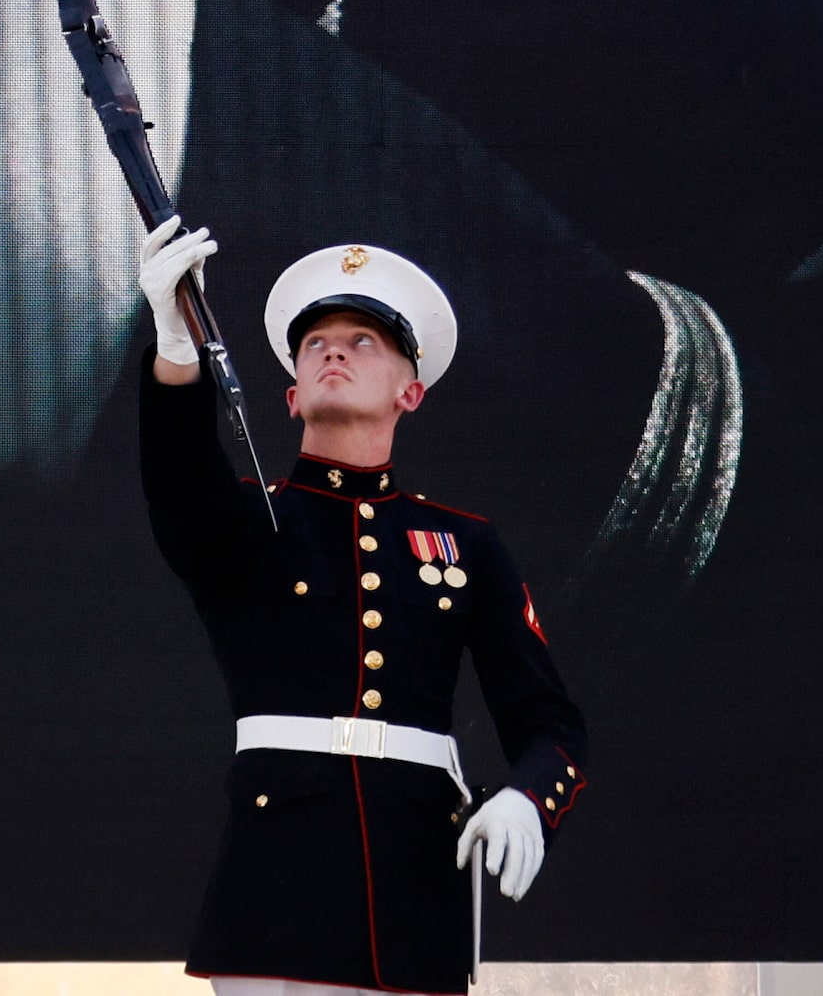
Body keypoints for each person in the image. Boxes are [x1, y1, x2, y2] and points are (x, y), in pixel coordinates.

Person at [135, 221, 589, 996]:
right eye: (315, 344)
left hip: (417, 886)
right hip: (280, 892)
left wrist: (526, 800)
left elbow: (549, 720)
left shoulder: (463, 543)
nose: (335, 351)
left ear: (410, 392)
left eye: (364, 340)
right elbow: (181, 486)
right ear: (290, 396)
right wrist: (177, 349)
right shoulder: (250, 528)